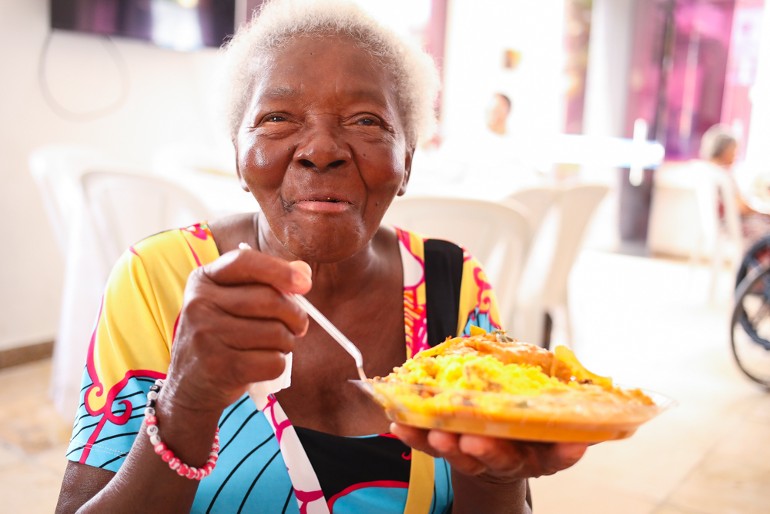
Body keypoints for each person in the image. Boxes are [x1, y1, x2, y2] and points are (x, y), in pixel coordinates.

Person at [55, 1, 588, 512]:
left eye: (365, 121)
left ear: (407, 160)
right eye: (278, 117)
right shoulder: (158, 280)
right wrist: (185, 403)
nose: (322, 149)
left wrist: (496, 474)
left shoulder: (454, 282)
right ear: (239, 156)